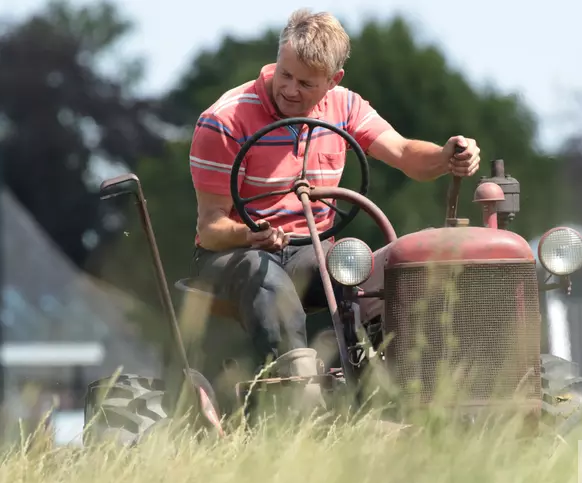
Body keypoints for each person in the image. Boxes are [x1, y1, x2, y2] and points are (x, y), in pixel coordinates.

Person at [187, 8, 481, 409]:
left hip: (313, 248)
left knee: (382, 269)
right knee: (266, 276)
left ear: (333, 80)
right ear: (277, 58)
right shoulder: (225, 121)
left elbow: (406, 154)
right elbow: (211, 229)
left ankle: (398, 394)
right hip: (235, 254)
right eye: (284, 75)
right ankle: (295, 405)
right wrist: (249, 233)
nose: (290, 89)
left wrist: (447, 155)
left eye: (306, 83)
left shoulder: (344, 108)